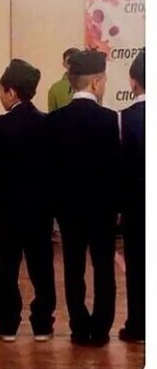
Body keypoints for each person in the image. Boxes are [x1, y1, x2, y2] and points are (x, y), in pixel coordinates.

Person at [47, 50, 120, 347]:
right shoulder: (109, 119)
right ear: (96, 82)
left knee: (73, 267)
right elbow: (115, 168)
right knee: (103, 267)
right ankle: (101, 328)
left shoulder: (55, 120)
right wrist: (117, 206)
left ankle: (78, 326)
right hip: (102, 208)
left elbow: (51, 169)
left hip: (68, 208)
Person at [0, 59, 56, 342]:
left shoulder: (0, 125)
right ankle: (42, 324)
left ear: (11, 92)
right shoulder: (47, 124)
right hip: (40, 210)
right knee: (41, 268)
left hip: (9, 210)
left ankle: (8, 324)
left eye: (1, 90)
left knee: (7, 268)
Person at [118, 50, 145, 344]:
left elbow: (120, 167)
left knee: (136, 265)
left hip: (135, 203)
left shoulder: (124, 118)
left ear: (133, 82)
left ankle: (138, 325)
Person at [47, 47, 80, 112]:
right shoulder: (55, 88)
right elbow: (52, 114)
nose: (73, 65)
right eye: (69, 62)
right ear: (64, 64)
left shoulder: (90, 84)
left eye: (76, 61)